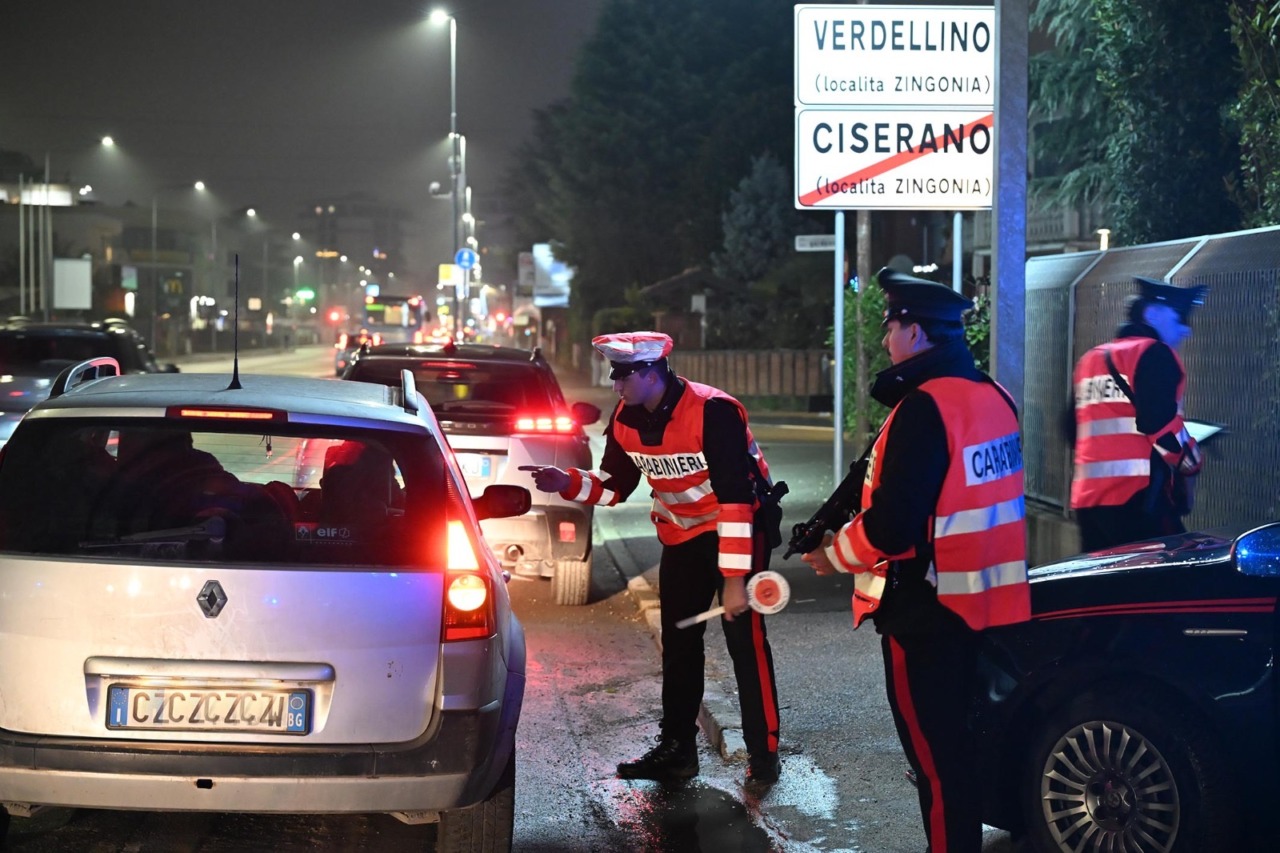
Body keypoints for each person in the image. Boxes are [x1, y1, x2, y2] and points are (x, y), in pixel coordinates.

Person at [801, 268, 1030, 853]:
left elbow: (894, 526)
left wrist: (833, 554)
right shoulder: (994, 397)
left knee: (935, 765)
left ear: (919, 334)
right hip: (985, 604)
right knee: (959, 756)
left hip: (924, 613)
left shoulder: (923, 408)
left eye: (891, 326)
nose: (885, 340)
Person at [523, 331, 783, 787]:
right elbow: (613, 488)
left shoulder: (713, 411)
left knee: (746, 643)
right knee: (680, 644)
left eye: (622, 376)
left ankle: (764, 757)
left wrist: (736, 579)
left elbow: (737, 501)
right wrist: (565, 482)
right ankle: (677, 750)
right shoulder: (626, 418)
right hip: (682, 536)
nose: (614, 386)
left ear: (649, 373)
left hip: (737, 531)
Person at [1070, 276, 1207, 551]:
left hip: (1089, 503)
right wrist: (1192, 460)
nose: (1186, 330)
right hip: (1137, 500)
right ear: (1152, 313)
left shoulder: (1091, 358)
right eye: (1180, 317)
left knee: (1107, 590)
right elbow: (1160, 425)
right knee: (1159, 586)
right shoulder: (1154, 353)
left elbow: (1071, 427)